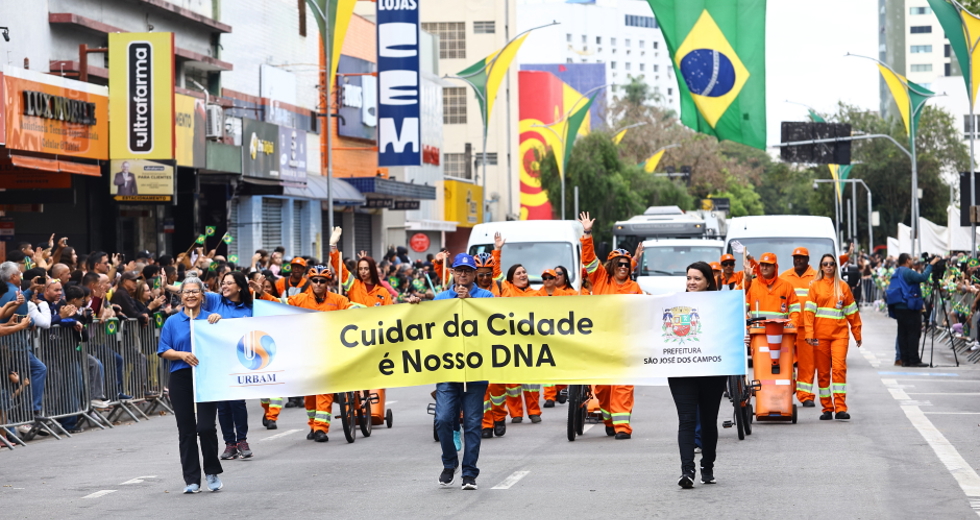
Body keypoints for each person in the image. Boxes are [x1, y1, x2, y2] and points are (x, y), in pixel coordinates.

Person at [256, 264, 360, 442]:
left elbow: (355, 308)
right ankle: (313, 425)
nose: (318, 284)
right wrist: (262, 294)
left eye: (322, 281)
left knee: (324, 390)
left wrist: (355, 310)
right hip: (306, 352)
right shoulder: (300, 299)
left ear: (328, 282)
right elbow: (279, 305)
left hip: (330, 352)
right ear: (310, 281)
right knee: (310, 392)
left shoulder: (338, 300)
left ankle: (321, 429)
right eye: (315, 280)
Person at [427, 253, 492, 490]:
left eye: (467, 270)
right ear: (452, 273)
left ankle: (469, 473)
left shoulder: (486, 296)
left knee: (473, 424)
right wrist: (416, 307)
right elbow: (426, 324)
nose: (463, 274)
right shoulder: (441, 298)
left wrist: (468, 303)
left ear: (474, 274)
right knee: (443, 419)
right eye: (458, 270)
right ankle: (449, 463)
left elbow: (492, 324)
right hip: (448, 370)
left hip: (475, 372)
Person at [578, 212, 643, 440]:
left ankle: (623, 427)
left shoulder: (635, 287)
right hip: (602, 341)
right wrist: (587, 233)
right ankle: (608, 419)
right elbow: (588, 259)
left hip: (626, 343)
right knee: (604, 388)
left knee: (623, 385)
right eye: (620, 264)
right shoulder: (600, 279)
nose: (624, 267)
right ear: (613, 265)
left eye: (627, 264)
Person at [157, 277, 223, 494]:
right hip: (180, 378)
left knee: (205, 428)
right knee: (186, 430)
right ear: (181, 296)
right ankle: (192, 480)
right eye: (187, 292)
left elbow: (225, 342)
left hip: (206, 377)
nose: (191, 295)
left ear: (202, 295)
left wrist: (218, 321)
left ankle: (212, 471)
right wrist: (181, 355)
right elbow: (163, 350)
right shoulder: (172, 322)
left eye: (195, 292)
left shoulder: (211, 319)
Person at [670, 261, 728, 489]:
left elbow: (731, 330)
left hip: (712, 370)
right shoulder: (674, 303)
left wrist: (740, 339)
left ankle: (708, 465)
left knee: (707, 420)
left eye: (697, 279)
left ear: (707, 282)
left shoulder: (721, 305)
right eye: (689, 278)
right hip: (681, 370)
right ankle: (687, 471)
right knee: (686, 420)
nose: (691, 282)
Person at [203, 271, 255, 460]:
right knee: (223, 404)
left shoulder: (251, 307)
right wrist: (168, 287)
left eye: (229, 283)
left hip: (240, 360)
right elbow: (191, 293)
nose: (224, 286)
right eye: (222, 283)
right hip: (218, 361)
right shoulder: (215, 301)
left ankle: (242, 440)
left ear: (240, 286)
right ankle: (229, 444)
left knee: (237, 402)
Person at [804, 254, 862, 421]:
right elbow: (808, 313)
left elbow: (852, 312)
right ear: (821, 267)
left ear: (835, 266)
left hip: (839, 336)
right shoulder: (815, 287)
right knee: (823, 373)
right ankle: (827, 408)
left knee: (838, 369)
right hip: (819, 336)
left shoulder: (843, 287)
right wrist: (809, 333)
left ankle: (841, 408)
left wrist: (857, 333)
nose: (828, 266)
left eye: (831, 264)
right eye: (825, 264)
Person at [743, 252, 800, 374]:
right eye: (762, 265)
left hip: (782, 335)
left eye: (768, 265)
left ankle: (786, 389)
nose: (764, 268)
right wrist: (748, 327)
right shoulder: (752, 285)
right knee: (762, 369)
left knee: (784, 368)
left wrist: (793, 324)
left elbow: (795, 309)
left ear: (775, 267)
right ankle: (763, 392)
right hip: (758, 335)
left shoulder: (786, 286)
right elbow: (740, 307)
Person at [779, 247, 818, 407]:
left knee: (807, 363)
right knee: (786, 361)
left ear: (808, 259)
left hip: (809, 328)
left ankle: (806, 395)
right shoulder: (785, 277)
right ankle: (790, 388)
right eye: (796, 257)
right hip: (789, 327)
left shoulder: (817, 277)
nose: (798, 260)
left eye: (801, 258)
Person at [886, 253, 938, 367]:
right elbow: (922, 278)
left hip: (898, 307)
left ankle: (904, 360)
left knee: (902, 334)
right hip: (909, 307)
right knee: (913, 333)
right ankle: (914, 360)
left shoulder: (896, 272)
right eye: (910, 259)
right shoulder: (907, 272)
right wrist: (931, 265)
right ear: (907, 260)